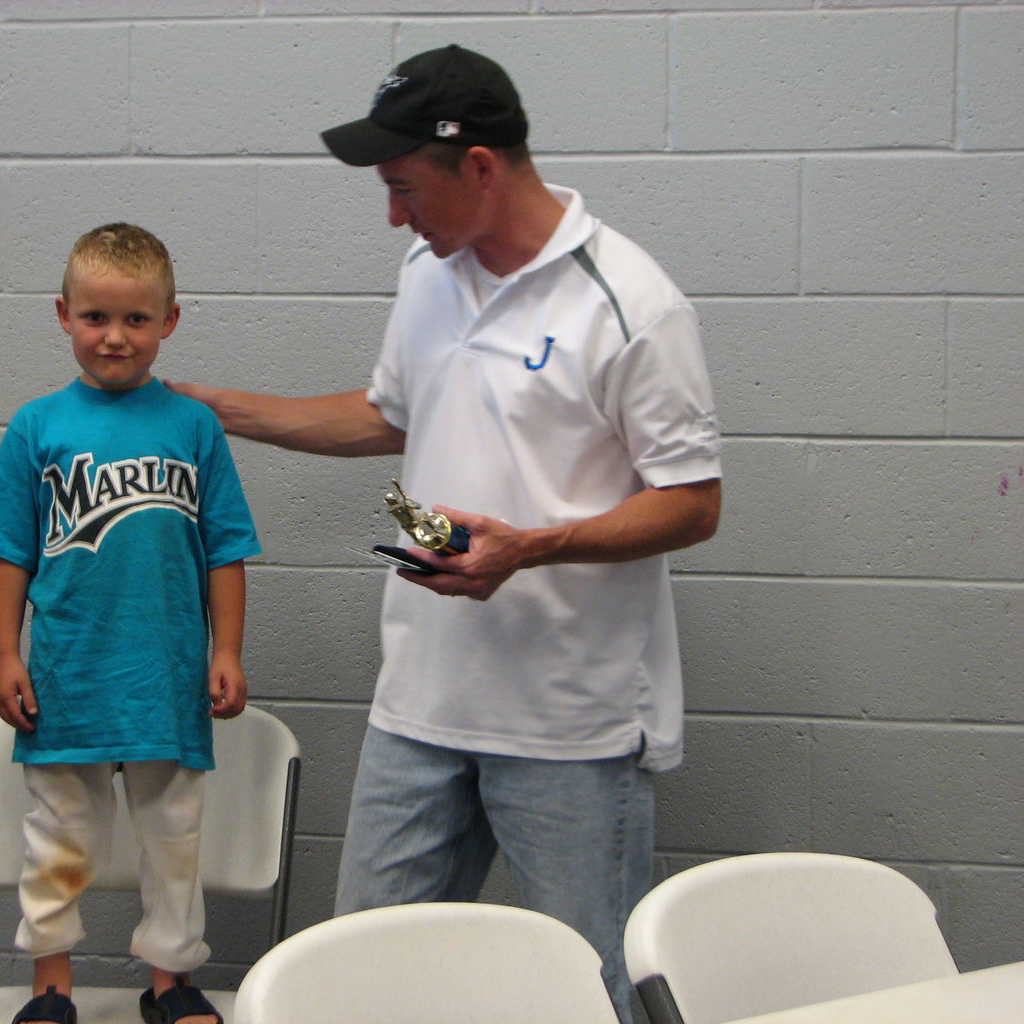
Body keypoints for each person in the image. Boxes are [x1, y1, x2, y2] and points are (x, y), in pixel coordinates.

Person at [169, 45, 721, 1020]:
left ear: (477, 167)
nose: (393, 215)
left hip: (572, 729)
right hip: (417, 709)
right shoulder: (428, 267)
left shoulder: (631, 301)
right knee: (358, 987)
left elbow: (692, 502)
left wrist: (532, 548)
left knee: (597, 994)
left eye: (402, 187)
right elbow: (393, 414)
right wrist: (215, 411)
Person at [0, 223, 260, 1024]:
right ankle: (50, 985)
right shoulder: (37, 426)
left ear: (169, 321)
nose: (114, 337)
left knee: (173, 834)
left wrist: (226, 648)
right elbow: (6, 553)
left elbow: (224, 550)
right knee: (58, 836)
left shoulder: (193, 427)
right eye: (95, 317)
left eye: (136, 319)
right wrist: (4, 654)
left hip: (165, 676)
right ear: (62, 315)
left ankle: (169, 981)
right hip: (68, 671)